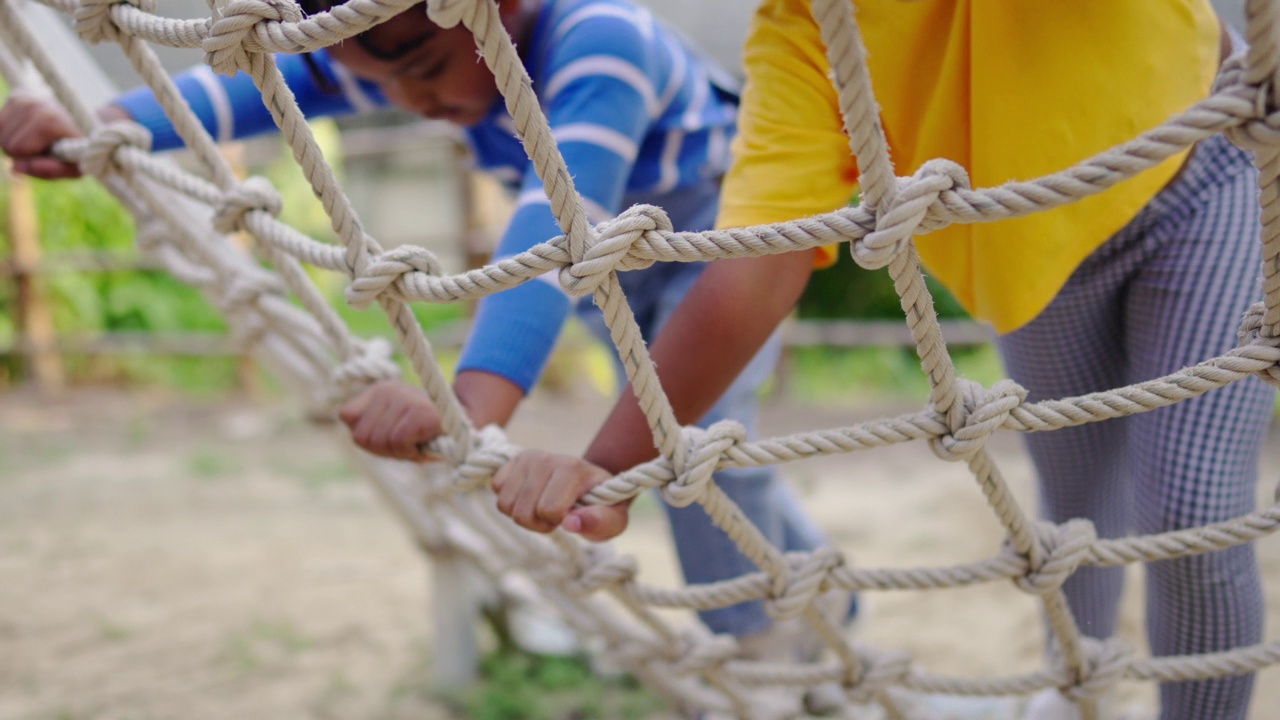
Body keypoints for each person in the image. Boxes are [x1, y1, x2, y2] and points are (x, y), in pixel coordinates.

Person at [0, 0, 850, 669]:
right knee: (700, 459)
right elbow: (248, 91)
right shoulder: (401, 46)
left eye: (425, 70)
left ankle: (757, 655)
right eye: (382, 79)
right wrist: (100, 119)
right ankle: (817, 598)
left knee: (679, 453)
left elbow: (550, 231)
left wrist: (464, 408)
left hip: (714, 247)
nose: (412, 100)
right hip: (609, 270)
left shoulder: (600, 40)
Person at [488, 2, 1271, 719]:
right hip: (1037, 271)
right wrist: (609, 465)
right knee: (1076, 513)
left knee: (1190, 512)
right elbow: (760, 263)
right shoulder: (806, 28)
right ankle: (1075, 688)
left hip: (1203, 177)